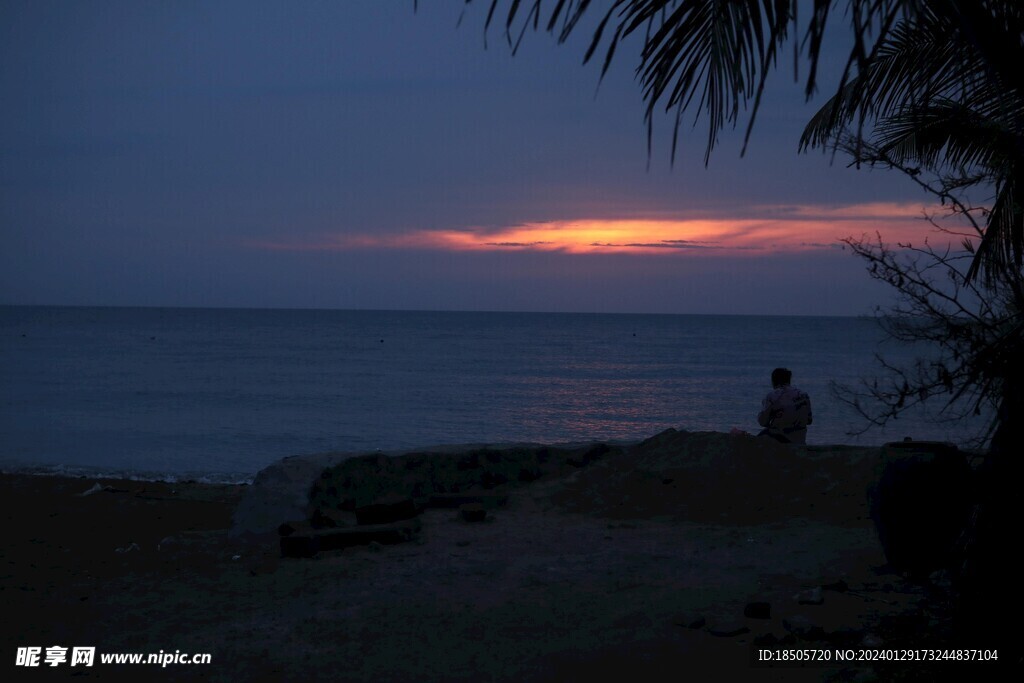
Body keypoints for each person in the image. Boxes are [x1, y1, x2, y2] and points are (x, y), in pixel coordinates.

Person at [757, 368, 812, 444]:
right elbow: (809, 421)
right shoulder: (803, 395)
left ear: (774, 381)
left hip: (779, 440)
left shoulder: (772, 396)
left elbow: (762, 422)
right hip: (800, 439)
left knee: (760, 437)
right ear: (789, 380)